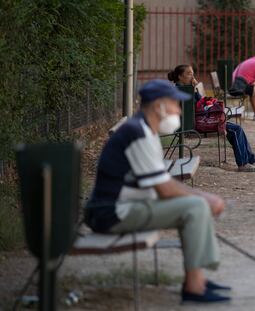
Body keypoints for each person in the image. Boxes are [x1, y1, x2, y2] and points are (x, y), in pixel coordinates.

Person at [85, 79, 231, 304]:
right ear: (159, 106)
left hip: (124, 207)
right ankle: (194, 287)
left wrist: (203, 197)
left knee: (196, 206)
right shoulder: (137, 133)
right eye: (175, 104)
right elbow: (164, 189)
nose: (179, 111)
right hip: (111, 213)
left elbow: (162, 182)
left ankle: (198, 279)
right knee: (195, 207)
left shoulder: (144, 129)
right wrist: (205, 197)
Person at [168, 65, 255, 172]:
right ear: (180, 77)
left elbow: (200, 102)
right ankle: (243, 163)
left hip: (202, 120)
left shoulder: (187, 89)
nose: (192, 77)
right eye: (189, 74)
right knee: (236, 130)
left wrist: (195, 90)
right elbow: (198, 106)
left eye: (193, 74)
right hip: (197, 123)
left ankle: (251, 161)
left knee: (236, 128)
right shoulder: (181, 91)